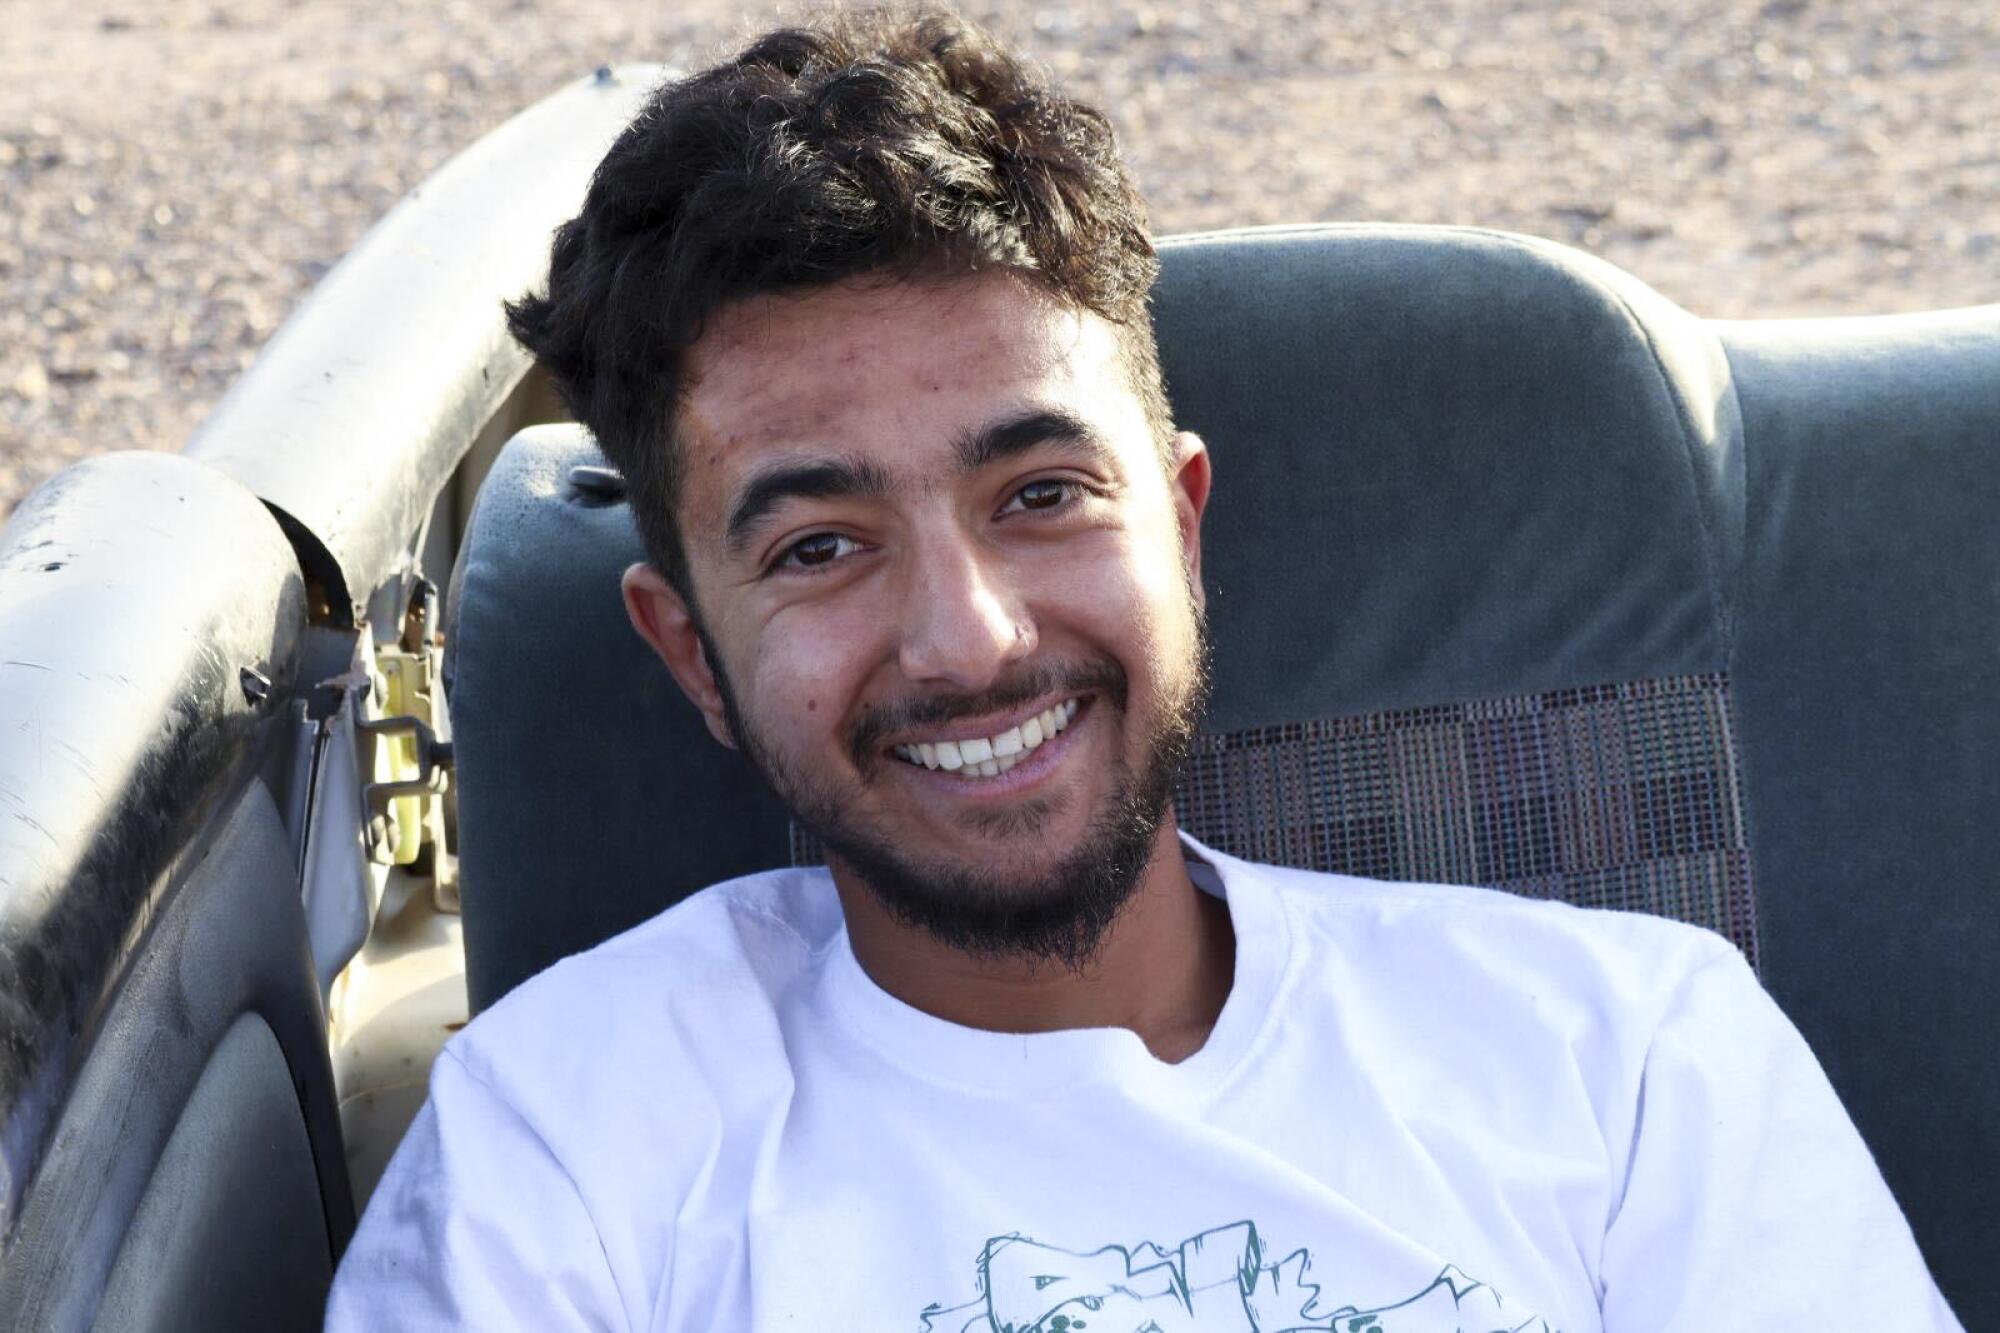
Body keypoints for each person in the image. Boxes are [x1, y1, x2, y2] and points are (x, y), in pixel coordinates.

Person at [325, 9, 1961, 1330]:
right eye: (819, 545)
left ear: (1179, 528)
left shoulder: (1629, 1063)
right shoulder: (560, 1165)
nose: (968, 637)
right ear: (690, 652)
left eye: (1040, 497)